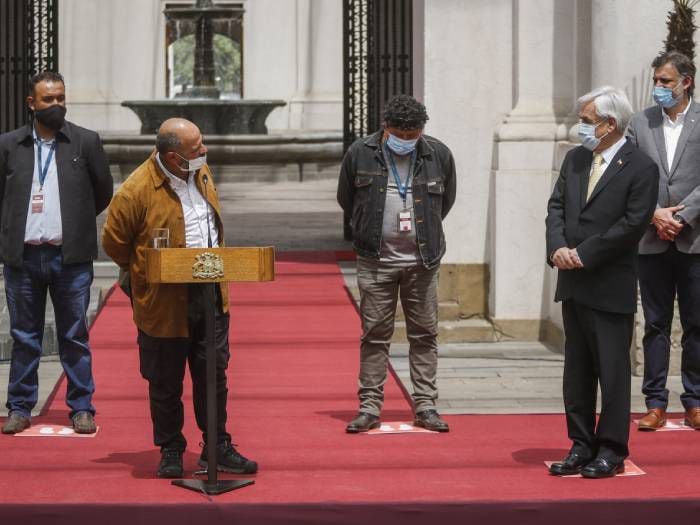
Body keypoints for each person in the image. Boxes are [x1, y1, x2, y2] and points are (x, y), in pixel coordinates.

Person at [101, 118, 257, 478]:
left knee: (213, 374)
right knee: (165, 379)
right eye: (196, 147)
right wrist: (144, 273)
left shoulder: (200, 171)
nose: (204, 151)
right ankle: (171, 447)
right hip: (164, 302)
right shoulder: (136, 190)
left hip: (210, 294)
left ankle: (217, 445)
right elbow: (114, 243)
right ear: (172, 157)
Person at [546, 86, 659, 478]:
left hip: (608, 282)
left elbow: (632, 224)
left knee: (611, 372)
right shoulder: (576, 159)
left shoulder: (641, 167)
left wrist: (585, 253)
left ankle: (611, 448)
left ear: (610, 125)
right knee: (576, 371)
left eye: (587, 122)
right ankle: (581, 443)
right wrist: (558, 247)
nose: (581, 129)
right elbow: (556, 205)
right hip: (573, 282)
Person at [0, 71, 112, 435]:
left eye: (61, 98)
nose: (56, 105)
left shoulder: (85, 142)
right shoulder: (10, 145)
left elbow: (102, 192)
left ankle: (81, 406)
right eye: (48, 99)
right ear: (31, 104)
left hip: (70, 259)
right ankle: (19, 406)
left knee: (75, 334)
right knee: (25, 336)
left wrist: (75, 222)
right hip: (24, 258)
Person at [337, 94, 456, 433]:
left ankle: (426, 405)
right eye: (400, 134)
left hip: (423, 260)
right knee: (374, 334)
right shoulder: (361, 153)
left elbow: (445, 201)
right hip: (376, 260)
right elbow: (346, 198)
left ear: (422, 130)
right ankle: (370, 407)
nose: (406, 140)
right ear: (385, 127)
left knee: (424, 333)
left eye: (413, 134)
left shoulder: (438, 154)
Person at [627, 50, 700, 431]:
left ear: (685, 82)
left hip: (694, 239)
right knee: (654, 324)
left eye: (665, 82)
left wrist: (683, 215)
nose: (658, 88)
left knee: (696, 323)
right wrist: (654, 211)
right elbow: (627, 175)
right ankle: (654, 402)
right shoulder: (640, 124)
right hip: (651, 238)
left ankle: (695, 400)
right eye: (656, 81)